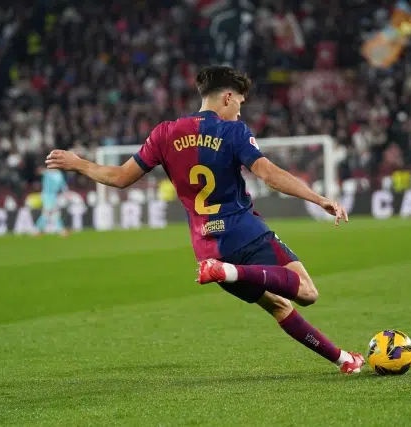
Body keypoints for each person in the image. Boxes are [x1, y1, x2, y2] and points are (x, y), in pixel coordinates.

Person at [45, 65, 364, 374]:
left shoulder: (164, 133)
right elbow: (269, 174)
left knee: (279, 306)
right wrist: (319, 198)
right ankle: (233, 272)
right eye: (239, 103)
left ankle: (343, 360)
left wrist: (79, 163)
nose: (240, 112)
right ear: (227, 97)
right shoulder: (233, 131)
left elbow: (119, 177)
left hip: (208, 251)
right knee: (307, 293)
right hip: (244, 233)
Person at [34, 168, 69, 237]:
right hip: (47, 195)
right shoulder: (48, 173)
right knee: (51, 213)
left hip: (53, 196)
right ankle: (61, 231)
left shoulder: (58, 173)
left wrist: (66, 192)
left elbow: (63, 184)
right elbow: (40, 171)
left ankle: (37, 230)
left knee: (48, 213)